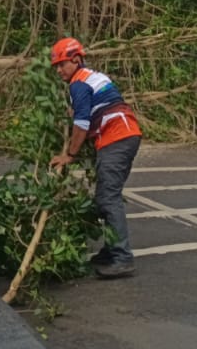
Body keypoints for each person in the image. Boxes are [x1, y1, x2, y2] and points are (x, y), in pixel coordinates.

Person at [48, 37, 142, 278]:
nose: (59, 70)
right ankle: (111, 249)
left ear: (76, 60)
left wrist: (69, 155)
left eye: (62, 64)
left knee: (108, 198)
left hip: (117, 139)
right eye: (56, 66)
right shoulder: (91, 77)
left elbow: (81, 122)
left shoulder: (79, 84)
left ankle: (122, 257)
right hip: (121, 136)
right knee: (104, 196)